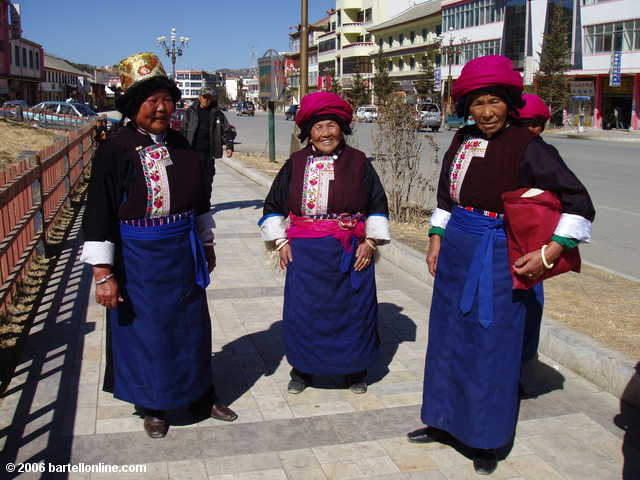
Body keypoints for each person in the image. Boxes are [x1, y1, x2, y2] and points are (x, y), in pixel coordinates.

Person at [407, 56, 595, 475]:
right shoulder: (462, 140)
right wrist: (437, 238)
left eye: (494, 102)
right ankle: (441, 421)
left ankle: (485, 439)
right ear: (466, 108)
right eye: (477, 104)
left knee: (491, 346)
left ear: (509, 103)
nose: (486, 112)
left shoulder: (528, 146)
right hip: (457, 250)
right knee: (449, 338)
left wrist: (550, 251)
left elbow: (578, 202)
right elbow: (445, 197)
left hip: (497, 255)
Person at [80, 52, 237, 439]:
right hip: (138, 260)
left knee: (192, 328)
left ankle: (201, 395)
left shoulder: (181, 146)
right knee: (148, 333)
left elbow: (199, 199)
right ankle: (153, 404)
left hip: (182, 253)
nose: (162, 108)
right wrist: (103, 274)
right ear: (135, 107)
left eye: (167, 99)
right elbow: (99, 211)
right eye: (152, 101)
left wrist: (207, 242)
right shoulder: (115, 149)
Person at [259, 92, 391, 395]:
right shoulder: (295, 163)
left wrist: (370, 243)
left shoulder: (358, 163)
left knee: (353, 311)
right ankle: (303, 368)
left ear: (341, 127)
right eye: (318, 127)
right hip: (305, 254)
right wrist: (280, 242)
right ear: (309, 132)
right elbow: (273, 205)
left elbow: (377, 204)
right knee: (305, 313)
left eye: (331, 125)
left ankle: (354, 368)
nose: (326, 133)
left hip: (350, 251)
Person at [183, 87, 235, 199]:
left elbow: (227, 131)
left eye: (209, 98)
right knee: (192, 181)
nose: (206, 100)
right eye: (204, 97)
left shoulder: (217, 113)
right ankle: (193, 205)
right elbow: (183, 130)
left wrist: (229, 146)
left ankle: (205, 205)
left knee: (207, 180)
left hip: (208, 153)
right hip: (192, 152)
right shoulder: (190, 112)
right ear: (199, 97)